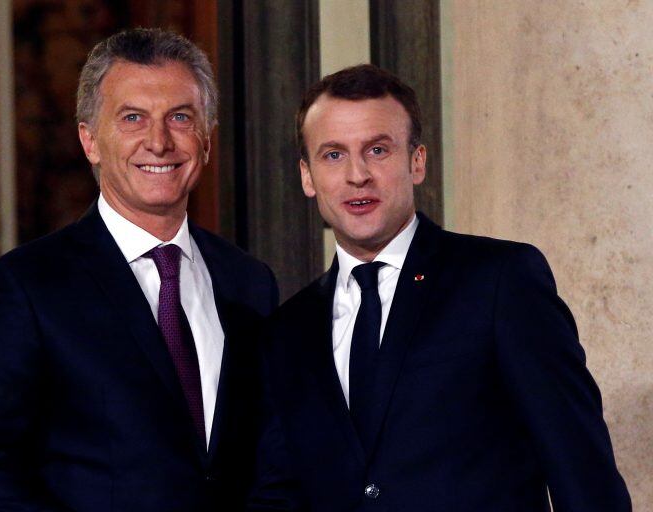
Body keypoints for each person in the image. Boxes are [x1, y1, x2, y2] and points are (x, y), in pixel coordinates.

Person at [254, 64, 631, 511]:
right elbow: (277, 493)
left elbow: (581, 471)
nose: (357, 175)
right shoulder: (287, 330)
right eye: (333, 155)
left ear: (417, 161)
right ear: (307, 176)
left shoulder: (501, 281)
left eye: (377, 150)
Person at [0, 28, 277, 511]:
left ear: (206, 140)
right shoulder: (27, 286)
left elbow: (266, 457)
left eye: (180, 117)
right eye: (133, 118)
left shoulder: (249, 281)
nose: (158, 142)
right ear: (90, 140)